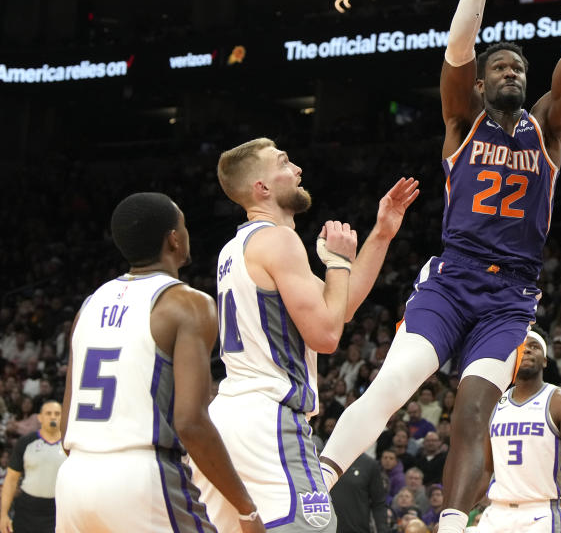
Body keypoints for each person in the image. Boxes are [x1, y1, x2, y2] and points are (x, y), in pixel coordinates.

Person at [318, 0, 561, 533]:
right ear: (477, 83)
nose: (510, 72)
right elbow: (457, 46)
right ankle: (317, 485)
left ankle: (450, 524)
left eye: (517, 67)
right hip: (451, 281)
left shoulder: (546, 128)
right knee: (391, 386)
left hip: (510, 296)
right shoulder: (459, 121)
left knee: (474, 412)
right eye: (498, 67)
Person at [193, 139, 419, 532]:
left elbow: (339, 307)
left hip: (229, 418)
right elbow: (327, 335)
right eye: (283, 162)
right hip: (269, 419)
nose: (297, 169)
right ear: (261, 187)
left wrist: (381, 233)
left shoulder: (236, 248)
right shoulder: (279, 240)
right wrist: (337, 263)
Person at [54, 192, 264, 533]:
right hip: (141, 475)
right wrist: (246, 509)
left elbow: (66, 429)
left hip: (74, 479)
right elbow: (191, 423)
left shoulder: (88, 307)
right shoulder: (187, 303)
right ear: (174, 239)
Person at [474, 333, 561, 531]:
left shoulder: (560, 401)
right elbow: (486, 471)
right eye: (521, 347)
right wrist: (455, 515)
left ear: (545, 361)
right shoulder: (494, 403)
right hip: (496, 512)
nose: (527, 349)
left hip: (541, 513)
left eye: (534, 346)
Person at [0, 400, 65, 533]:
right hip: (27, 508)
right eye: (48, 413)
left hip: (58, 510)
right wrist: (3, 514)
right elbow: (11, 479)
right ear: (40, 417)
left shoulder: (69, 445)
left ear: (63, 417)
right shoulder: (25, 442)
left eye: (57, 413)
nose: (53, 417)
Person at [329, 453, 388, 533]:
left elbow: (378, 503)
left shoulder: (369, 464)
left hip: (356, 529)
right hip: (325, 529)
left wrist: (383, 530)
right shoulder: (322, 460)